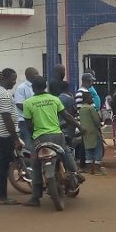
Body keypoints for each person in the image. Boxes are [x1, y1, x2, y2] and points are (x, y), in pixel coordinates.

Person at [23, 76, 84, 207]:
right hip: (57, 135)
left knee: (36, 165)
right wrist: (80, 127)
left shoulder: (28, 103)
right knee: (66, 152)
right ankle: (75, 173)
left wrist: (35, 134)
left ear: (33, 88)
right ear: (45, 86)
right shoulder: (54, 99)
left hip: (40, 138)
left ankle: (35, 197)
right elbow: (67, 116)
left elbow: (28, 125)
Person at [0, 68, 23, 205]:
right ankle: (3, 196)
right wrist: (15, 139)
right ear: (5, 79)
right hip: (2, 134)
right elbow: (7, 119)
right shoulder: (4, 95)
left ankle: (2, 193)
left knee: (0, 163)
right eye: (13, 79)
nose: (14, 82)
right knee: (3, 165)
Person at [76, 75, 105, 176]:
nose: (93, 99)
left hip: (84, 129)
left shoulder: (83, 107)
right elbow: (96, 120)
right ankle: (96, 168)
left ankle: (88, 168)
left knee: (88, 148)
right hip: (93, 129)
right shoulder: (89, 106)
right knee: (97, 148)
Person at [13, 67, 38, 152]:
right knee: (28, 146)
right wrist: (34, 109)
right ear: (28, 75)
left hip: (36, 120)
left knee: (37, 145)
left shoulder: (37, 87)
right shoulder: (21, 88)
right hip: (24, 121)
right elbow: (19, 104)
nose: (38, 75)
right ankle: (28, 164)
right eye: (36, 73)